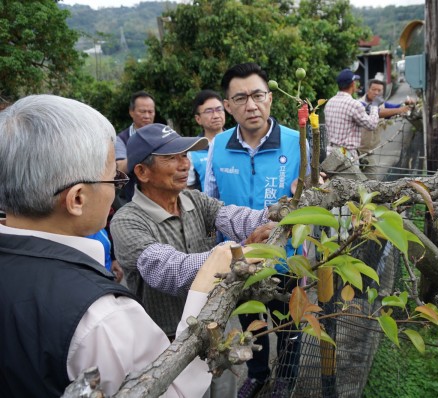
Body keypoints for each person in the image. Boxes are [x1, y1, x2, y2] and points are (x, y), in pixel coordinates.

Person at [0, 94, 236, 397]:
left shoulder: (193, 200)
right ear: (77, 199)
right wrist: (206, 280)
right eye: (113, 178)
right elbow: (170, 390)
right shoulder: (101, 318)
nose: (117, 187)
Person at [110, 123, 276, 398]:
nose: (184, 165)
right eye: (171, 158)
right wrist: (237, 253)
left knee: (224, 392)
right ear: (142, 171)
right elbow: (167, 270)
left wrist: (279, 216)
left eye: (185, 156)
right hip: (166, 344)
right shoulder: (127, 221)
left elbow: (235, 218)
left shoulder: (194, 201)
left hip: (216, 332)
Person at [204, 62, 303, 398]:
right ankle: (258, 375)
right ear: (228, 106)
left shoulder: (296, 142)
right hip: (240, 259)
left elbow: (312, 200)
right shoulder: (218, 146)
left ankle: (286, 379)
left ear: (270, 98)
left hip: (285, 259)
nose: (251, 105)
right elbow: (211, 201)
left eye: (258, 95)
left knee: (289, 324)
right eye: (241, 98)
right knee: (249, 323)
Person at [357, 79, 414, 176]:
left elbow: (394, 107)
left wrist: (406, 103)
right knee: (364, 180)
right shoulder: (359, 104)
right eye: (374, 89)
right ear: (368, 90)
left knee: (370, 181)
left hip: (370, 152)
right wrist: (400, 109)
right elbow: (378, 112)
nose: (376, 93)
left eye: (379, 91)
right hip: (357, 151)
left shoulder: (382, 104)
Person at [324, 69, 380, 163]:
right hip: (346, 155)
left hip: (330, 153)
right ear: (352, 84)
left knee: (334, 178)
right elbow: (372, 124)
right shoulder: (354, 104)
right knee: (351, 178)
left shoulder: (329, 102)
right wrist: (375, 106)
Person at [187, 89, 226, 190]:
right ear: (198, 119)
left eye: (219, 109)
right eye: (209, 111)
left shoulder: (238, 142)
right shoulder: (192, 150)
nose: (216, 116)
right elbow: (188, 187)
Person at [115, 91, 156, 173]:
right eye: (142, 112)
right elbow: (120, 168)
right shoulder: (120, 139)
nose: (147, 116)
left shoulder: (164, 135)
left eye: (150, 112)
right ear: (131, 112)